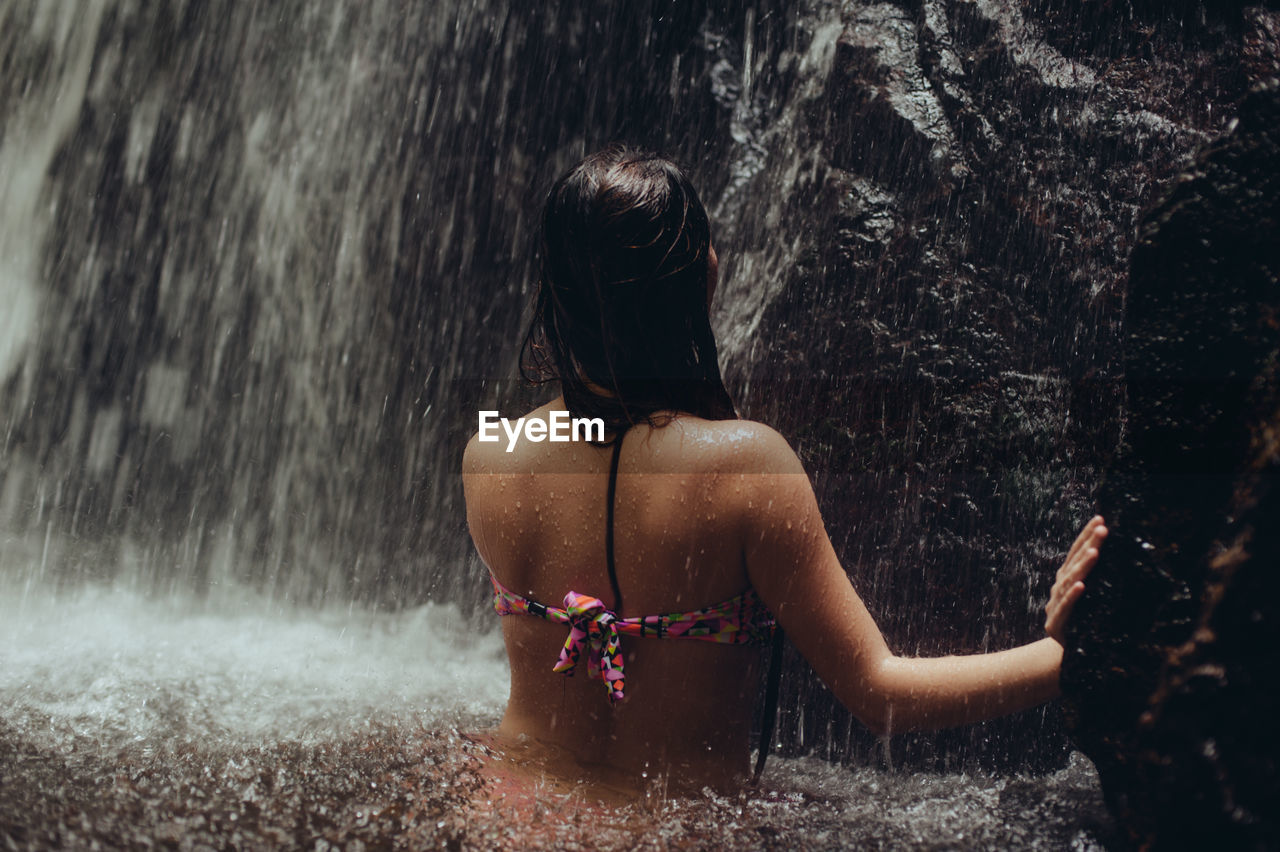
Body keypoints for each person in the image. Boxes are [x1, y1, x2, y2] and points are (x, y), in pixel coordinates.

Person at [461, 144, 1105, 800]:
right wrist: (1063, 658)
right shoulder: (745, 467)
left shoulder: (493, 456)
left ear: (557, 291)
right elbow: (880, 693)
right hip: (675, 837)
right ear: (698, 281)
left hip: (515, 819)